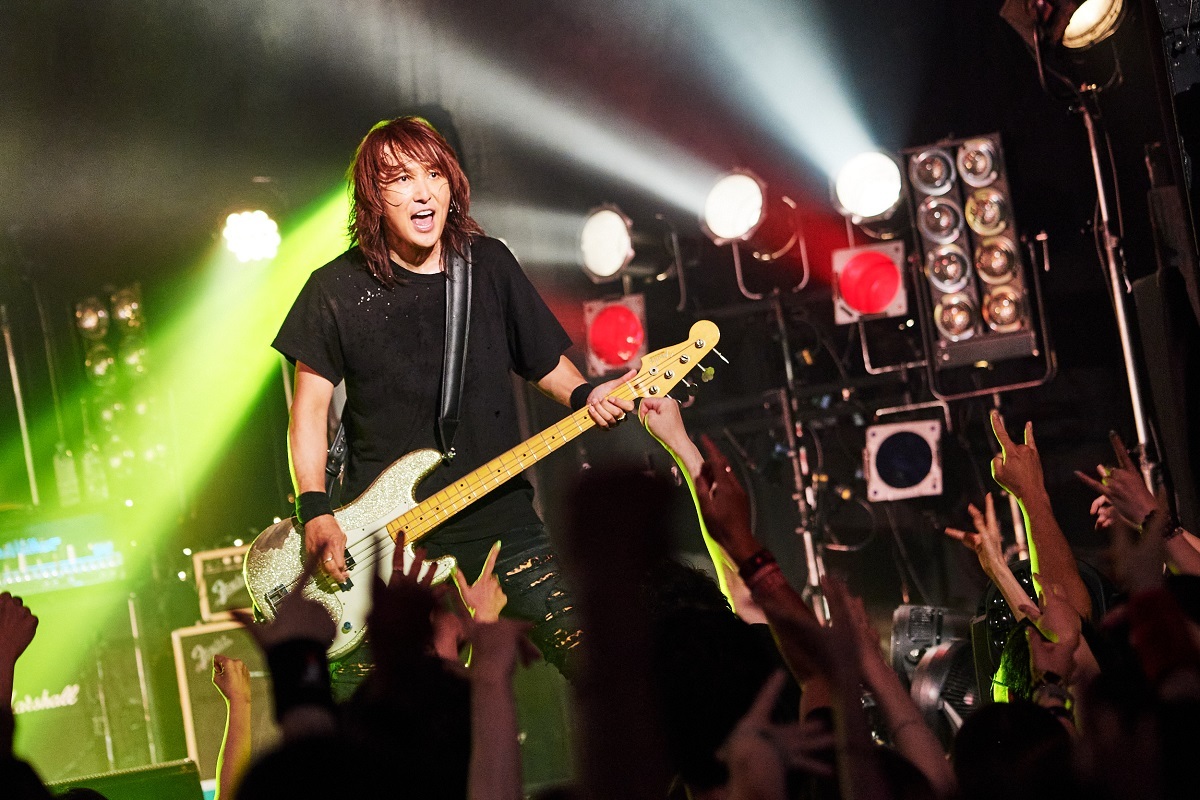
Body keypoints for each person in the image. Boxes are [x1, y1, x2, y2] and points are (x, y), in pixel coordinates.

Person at [271, 116, 632, 679]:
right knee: (391, 709)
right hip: (392, 543)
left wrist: (587, 394)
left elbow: (542, 362)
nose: (423, 192)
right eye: (401, 179)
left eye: (434, 174)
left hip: (499, 519)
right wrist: (315, 510)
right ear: (373, 197)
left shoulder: (488, 266)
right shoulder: (334, 289)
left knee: (595, 664)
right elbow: (310, 411)